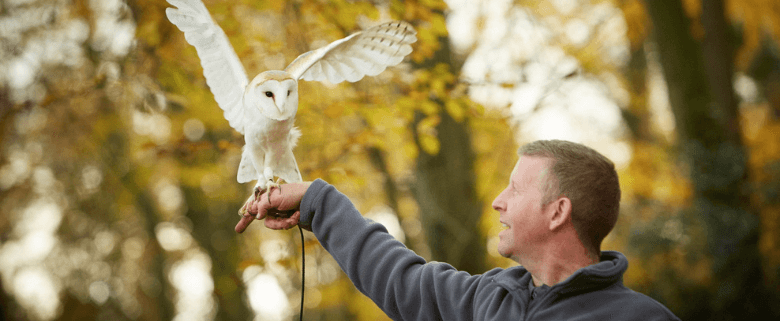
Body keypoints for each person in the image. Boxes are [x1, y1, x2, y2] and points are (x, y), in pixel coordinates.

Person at [235, 139, 680, 320]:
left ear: (557, 212)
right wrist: (316, 199)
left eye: (515, 189)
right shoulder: (489, 300)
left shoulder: (641, 318)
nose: (497, 201)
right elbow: (398, 277)